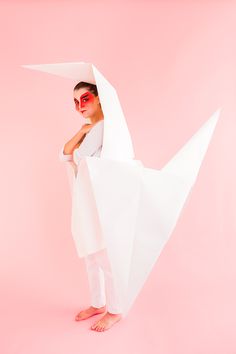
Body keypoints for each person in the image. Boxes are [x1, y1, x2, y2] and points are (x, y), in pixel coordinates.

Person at [59, 81, 122, 332]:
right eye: (75, 102)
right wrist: (83, 130)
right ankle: (98, 303)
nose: (79, 106)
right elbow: (65, 153)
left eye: (85, 99)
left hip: (100, 200)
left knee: (103, 255)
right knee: (90, 254)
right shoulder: (92, 128)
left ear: (99, 98)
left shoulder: (108, 127)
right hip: (85, 197)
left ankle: (115, 310)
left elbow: (79, 156)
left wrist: (86, 133)